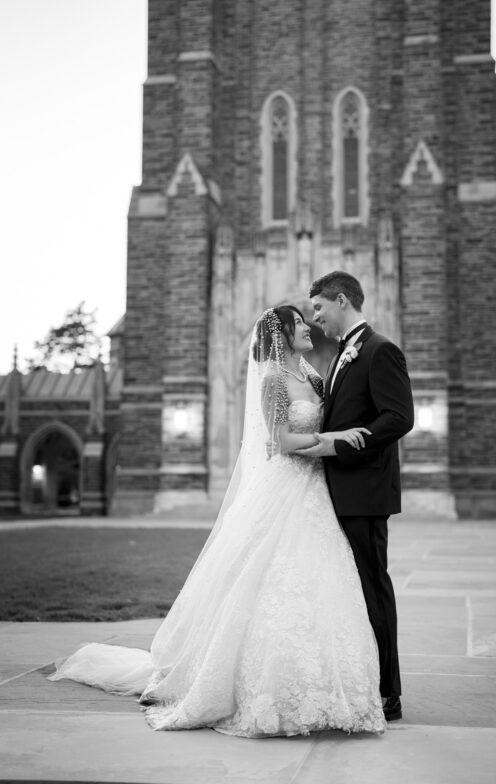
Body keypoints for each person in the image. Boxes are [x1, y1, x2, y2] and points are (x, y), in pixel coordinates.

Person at [49, 305, 386, 738]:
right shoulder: (272, 381)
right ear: (282, 334)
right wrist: (333, 440)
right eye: (301, 323)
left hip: (316, 492)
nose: (309, 328)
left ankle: (332, 687)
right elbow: (281, 442)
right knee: (270, 582)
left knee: (323, 582)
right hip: (286, 484)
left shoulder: (315, 378)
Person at [297, 271, 414, 722]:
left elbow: (398, 418)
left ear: (341, 300)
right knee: (350, 590)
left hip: (365, 491)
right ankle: (357, 679)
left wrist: (338, 443)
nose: (316, 318)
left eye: (320, 309)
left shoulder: (381, 350)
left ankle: (388, 692)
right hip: (341, 490)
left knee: (372, 587)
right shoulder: (344, 354)